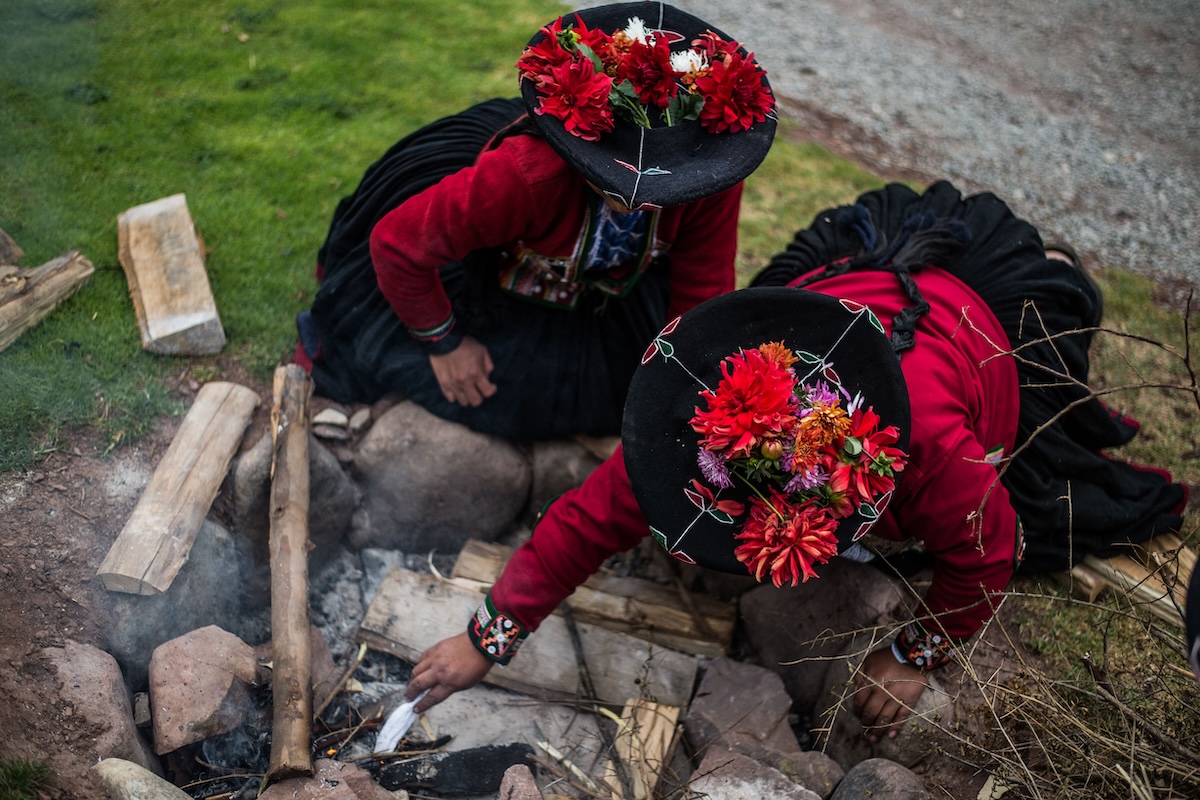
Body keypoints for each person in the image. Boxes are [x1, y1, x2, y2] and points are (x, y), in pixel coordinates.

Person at [403, 181, 1189, 740]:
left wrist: (915, 653)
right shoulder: (695, 428)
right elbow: (587, 519)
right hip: (846, 283)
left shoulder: (930, 459)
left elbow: (989, 549)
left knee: (1047, 287)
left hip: (973, 329)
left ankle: (1048, 257)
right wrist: (488, 638)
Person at [293, 2, 777, 441]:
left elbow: (702, 287)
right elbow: (397, 245)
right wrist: (443, 342)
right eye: (613, 182)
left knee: (631, 392)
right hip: (491, 261)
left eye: (657, 195)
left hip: (605, 285)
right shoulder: (526, 175)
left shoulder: (705, 178)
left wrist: (689, 385)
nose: (632, 204)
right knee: (399, 359)